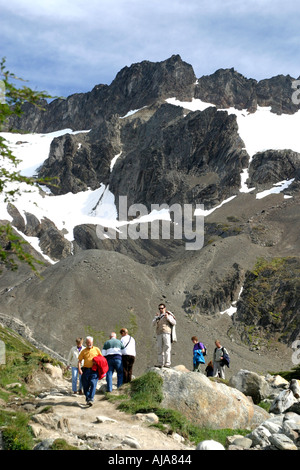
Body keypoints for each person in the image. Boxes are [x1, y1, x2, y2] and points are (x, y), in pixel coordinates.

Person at [78, 336, 102, 406]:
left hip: (94, 370)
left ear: (92, 342)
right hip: (85, 371)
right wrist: (79, 369)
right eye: (88, 342)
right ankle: (88, 398)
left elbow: (101, 359)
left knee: (93, 383)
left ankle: (91, 399)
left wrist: (97, 362)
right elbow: (79, 361)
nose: (89, 344)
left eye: (90, 342)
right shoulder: (83, 351)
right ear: (85, 343)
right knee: (85, 386)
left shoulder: (96, 349)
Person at [152, 303, 176, 368]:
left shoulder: (168, 314)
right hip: (159, 333)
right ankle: (160, 363)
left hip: (166, 332)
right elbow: (153, 323)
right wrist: (156, 318)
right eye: (159, 308)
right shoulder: (158, 316)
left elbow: (174, 322)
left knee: (167, 347)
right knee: (160, 348)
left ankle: (167, 363)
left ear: (164, 308)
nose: (161, 309)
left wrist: (167, 317)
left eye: (162, 308)